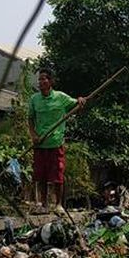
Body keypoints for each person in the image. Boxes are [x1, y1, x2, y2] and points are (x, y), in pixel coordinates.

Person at [27, 67, 86, 211]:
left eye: (43, 79)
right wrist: (33, 135)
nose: (40, 82)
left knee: (57, 175)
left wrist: (81, 101)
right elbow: (30, 119)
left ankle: (58, 204)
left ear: (50, 81)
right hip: (40, 144)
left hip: (55, 143)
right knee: (40, 175)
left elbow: (77, 104)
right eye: (39, 79)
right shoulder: (34, 99)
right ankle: (43, 204)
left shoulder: (61, 97)